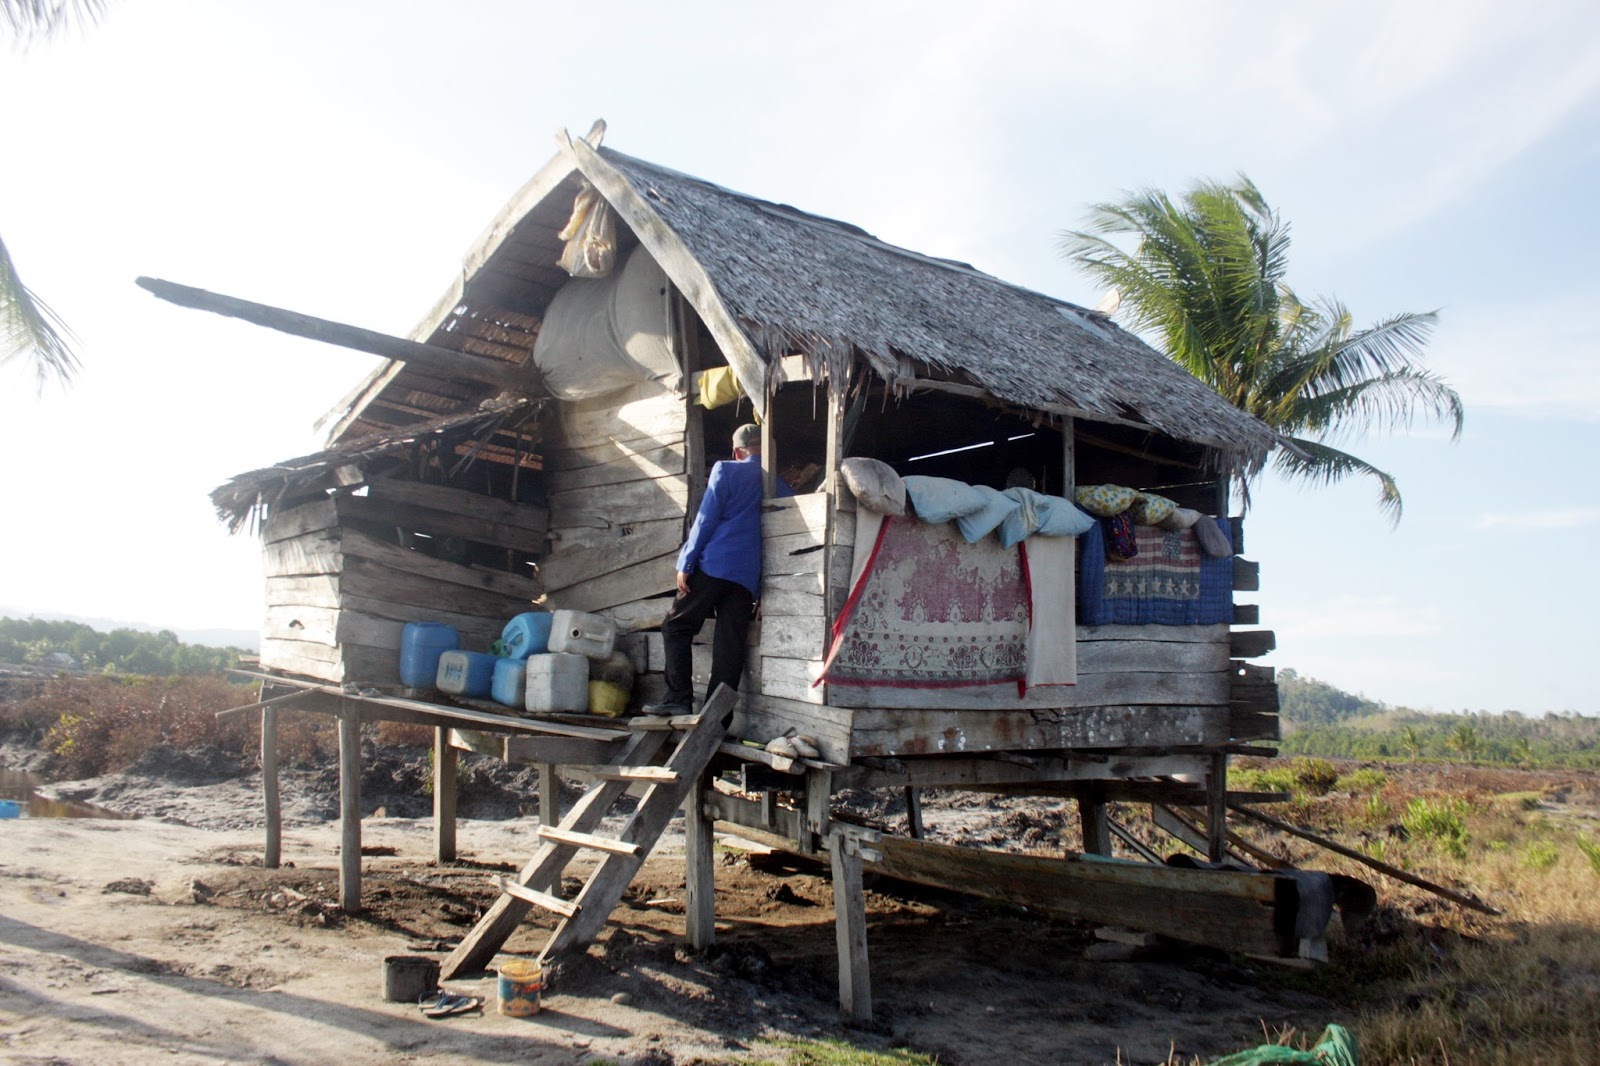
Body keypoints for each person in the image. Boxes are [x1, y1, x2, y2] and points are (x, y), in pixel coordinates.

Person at [644, 423, 792, 715]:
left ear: (738, 451)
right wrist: (761, 589)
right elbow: (779, 541)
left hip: (715, 565)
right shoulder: (782, 487)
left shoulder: (726, 470)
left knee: (676, 626)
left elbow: (706, 519)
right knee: (730, 645)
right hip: (746, 581)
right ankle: (717, 717)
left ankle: (678, 699)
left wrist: (686, 562)